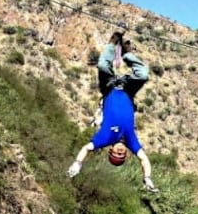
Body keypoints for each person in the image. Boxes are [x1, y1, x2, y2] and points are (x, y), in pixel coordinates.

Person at [67, 31, 158, 193]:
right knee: (143, 75)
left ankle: (113, 42)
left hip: (109, 89)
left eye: (117, 153)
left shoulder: (105, 137)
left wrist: (77, 163)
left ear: (111, 150)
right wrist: (148, 179)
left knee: (103, 65)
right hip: (127, 90)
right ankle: (128, 53)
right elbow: (143, 159)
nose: (121, 152)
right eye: (122, 155)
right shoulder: (131, 141)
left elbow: (86, 148)